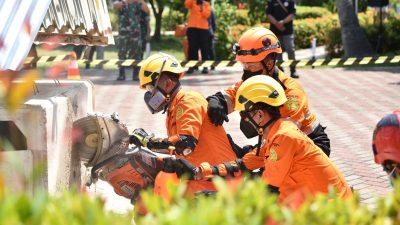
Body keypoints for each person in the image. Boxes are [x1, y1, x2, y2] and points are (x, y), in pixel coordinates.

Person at [176, 75, 352, 202]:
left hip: (329, 212)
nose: (243, 120)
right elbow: (243, 164)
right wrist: (202, 171)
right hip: (315, 204)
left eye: (244, 115)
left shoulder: (283, 137)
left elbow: (268, 189)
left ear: (259, 115)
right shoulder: (278, 134)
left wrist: (221, 195)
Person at [207, 27, 331, 157]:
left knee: (268, 172)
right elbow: (229, 95)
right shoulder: (253, 82)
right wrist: (216, 101)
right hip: (280, 144)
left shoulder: (291, 92)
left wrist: (249, 154)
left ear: (269, 62)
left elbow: (284, 138)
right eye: (244, 65)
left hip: (311, 145)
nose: (247, 70)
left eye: (252, 65)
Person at [130, 52, 238, 195]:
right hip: (202, 179)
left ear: (168, 83)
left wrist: (149, 141)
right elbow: (177, 149)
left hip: (219, 182)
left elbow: (185, 144)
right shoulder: (174, 108)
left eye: (151, 88)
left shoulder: (188, 101)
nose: (149, 95)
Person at [114, 0, 150, 81]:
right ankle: (121, 74)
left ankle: (136, 75)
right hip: (123, 31)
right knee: (121, 52)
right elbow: (115, 6)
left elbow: (147, 10)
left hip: (135, 31)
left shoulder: (138, 2)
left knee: (137, 52)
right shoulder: (122, 2)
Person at [266, 0, 299, 78]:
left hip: (287, 30)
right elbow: (268, 14)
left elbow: (292, 14)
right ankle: (280, 72)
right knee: (277, 52)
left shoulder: (291, 1)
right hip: (275, 31)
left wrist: (282, 22)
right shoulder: (271, 1)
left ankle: (293, 69)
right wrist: (277, 24)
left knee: (290, 49)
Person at [372, 109, 400, 183]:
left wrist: (378, 157)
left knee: (394, 176)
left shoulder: (385, 120)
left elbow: (374, 143)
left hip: (385, 156)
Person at [185, 0, 211, 74]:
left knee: (204, 48)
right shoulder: (193, 2)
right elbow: (187, 4)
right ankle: (192, 66)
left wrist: (202, 6)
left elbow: (206, 15)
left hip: (203, 29)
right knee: (192, 47)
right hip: (192, 27)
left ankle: (205, 67)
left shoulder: (207, 4)